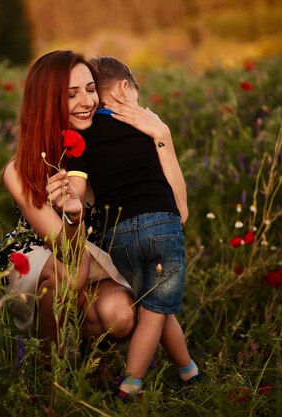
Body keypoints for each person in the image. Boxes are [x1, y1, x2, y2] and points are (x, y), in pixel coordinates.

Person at [66, 56, 202, 399]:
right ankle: (131, 383)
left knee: (154, 304)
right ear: (126, 88)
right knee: (155, 311)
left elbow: (79, 188)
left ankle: (189, 372)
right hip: (161, 222)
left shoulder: (83, 136)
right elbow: (176, 194)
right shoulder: (146, 125)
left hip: (118, 234)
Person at [1, 51, 136, 357]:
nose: (87, 102)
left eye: (91, 90)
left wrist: (161, 134)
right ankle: (51, 372)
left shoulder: (105, 149)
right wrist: (74, 217)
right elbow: (67, 254)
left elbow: (177, 209)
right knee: (67, 275)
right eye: (71, 94)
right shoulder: (19, 170)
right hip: (40, 260)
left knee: (120, 316)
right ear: (47, 101)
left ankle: (87, 361)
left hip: (94, 258)